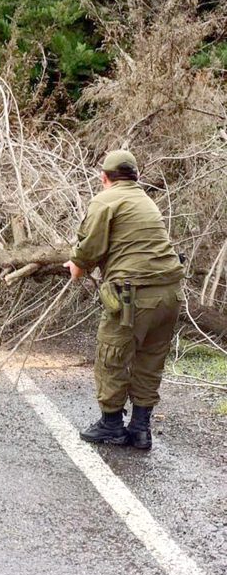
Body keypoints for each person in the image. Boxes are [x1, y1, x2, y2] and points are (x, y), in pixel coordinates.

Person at [65, 149, 183, 450]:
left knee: (112, 356)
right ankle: (141, 429)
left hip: (134, 295)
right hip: (169, 292)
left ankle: (111, 425)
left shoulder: (106, 199)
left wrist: (76, 264)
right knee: (150, 359)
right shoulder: (146, 201)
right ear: (136, 177)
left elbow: (89, 248)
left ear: (104, 178)